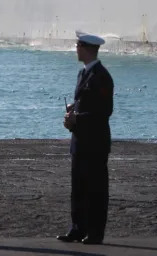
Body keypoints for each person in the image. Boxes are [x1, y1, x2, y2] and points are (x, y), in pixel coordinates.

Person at [57, 31, 114, 245]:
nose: (75, 49)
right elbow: (88, 103)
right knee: (78, 188)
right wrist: (74, 110)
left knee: (96, 190)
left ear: (86, 48)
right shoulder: (84, 74)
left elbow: (104, 111)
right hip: (80, 142)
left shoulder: (101, 76)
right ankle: (78, 228)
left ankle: (95, 232)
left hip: (95, 143)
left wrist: (76, 120)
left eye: (78, 46)